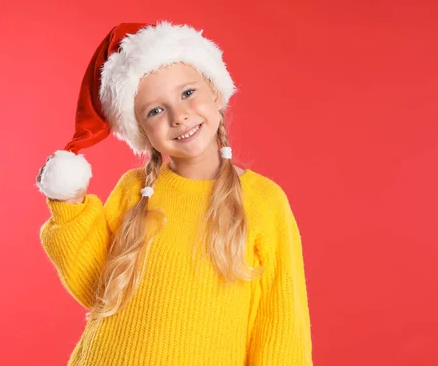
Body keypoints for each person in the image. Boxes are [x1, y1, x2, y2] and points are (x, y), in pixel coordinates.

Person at [35, 21, 314, 366]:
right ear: (141, 129)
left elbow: (282, 327)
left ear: (213, 89)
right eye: (155, 110)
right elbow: (96, 289)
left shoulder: (263, 202)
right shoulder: (135, 190)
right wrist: (69, 206)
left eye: (187, 93)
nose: (179, 116)